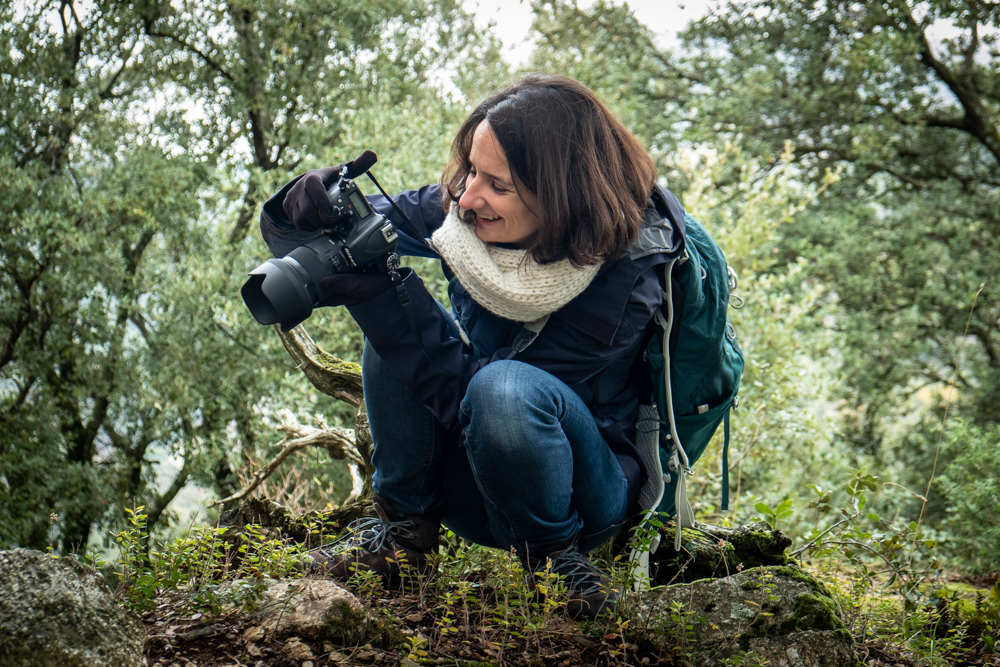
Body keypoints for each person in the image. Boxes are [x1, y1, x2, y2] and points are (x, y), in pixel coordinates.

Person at [258, 74, 687, 620]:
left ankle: (556, 569)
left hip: (582, 494)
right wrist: (307, 204)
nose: (466, 197)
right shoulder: (467, 210)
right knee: (391, 340)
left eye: (498, 185)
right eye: (470, 172)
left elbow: (489, 409)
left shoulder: (625, 279)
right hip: (481, 474)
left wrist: (383, 295)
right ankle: (401, 535)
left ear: (561, 195)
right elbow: (356, 230)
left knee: (494, 383)